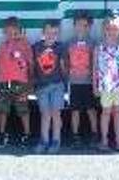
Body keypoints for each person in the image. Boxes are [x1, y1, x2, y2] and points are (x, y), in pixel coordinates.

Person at [0, 16, 33, 149]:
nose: (12, 35)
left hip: (21, 83)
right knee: (3, 110)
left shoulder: (25, 44)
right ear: (4, 32)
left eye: (15, 32)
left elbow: (30, 63)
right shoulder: (1, 46)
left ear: (20, 31)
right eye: (8, 32)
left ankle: (27, 134)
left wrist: (30, 82)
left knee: (23, 109)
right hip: (5, 82)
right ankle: (2, 134)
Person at [32, 19, 68, 154]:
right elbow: (33, 67)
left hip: (57, 85)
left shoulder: (61, 47)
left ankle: (56, 140)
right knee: (45, 114)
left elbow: (64, 67)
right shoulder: (36, 47)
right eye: (48, 33)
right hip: (42, 86)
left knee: (56, 113)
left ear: (58, 34)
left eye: (54, 33)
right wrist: (33, 84)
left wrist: (65, 84)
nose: (51, 36)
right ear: (43, 33)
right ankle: (44, 140)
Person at [93, 12, 119, 152]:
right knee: (106, 112)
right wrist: (95, 85)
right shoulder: (99, 48)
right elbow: (95, 68)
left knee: (118, 112)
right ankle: (104, 140)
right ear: (103, 29)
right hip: (105, 86)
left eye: (115, 29)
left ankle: (118, 140)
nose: (111, 32)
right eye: (108, 29)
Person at [66, 10, 99, 148]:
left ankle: (95, 133)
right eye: (79, 25)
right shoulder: (69, 43)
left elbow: (96, 63)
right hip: (74, 82)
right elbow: (66, 62)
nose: (82, 28)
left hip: (89, 82)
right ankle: (75, 135)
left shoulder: (93, 43)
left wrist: (95, 80)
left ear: (90, 27)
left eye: (85, 25)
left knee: (91, 109)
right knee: (75, 110)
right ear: (74, 26)